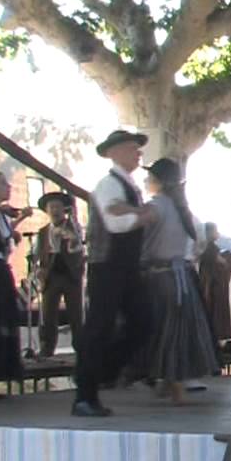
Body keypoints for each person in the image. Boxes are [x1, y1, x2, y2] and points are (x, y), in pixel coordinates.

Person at [73, 130, 152, 417]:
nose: (138, 153)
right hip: (106, 265)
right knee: (99, 328)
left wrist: (134, 212)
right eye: (133, 148)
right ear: (114, 152)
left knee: (143, 322)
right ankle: (85, 395)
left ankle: (103, 370)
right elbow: (116, 224)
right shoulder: (108, 184)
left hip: (126, 266)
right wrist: (143, 215)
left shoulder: (129, 186)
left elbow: (124, 215)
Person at [129, 159, 218, 403]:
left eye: (149, 178)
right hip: (182, 276)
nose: (146, 182)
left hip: (160, 277)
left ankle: (172, 382)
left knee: (163, 329)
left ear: (158, 181)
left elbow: (133, 232)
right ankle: (168, 381)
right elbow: (199, 245)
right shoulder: (184, 210)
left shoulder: (156, 207)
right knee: (175, 328)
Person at [35, 192, 85, 357]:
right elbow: (36, 254)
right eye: (51, 207)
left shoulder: (74, 227)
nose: (55, 210)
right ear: (47, 210)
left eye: (58, 206)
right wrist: (38, 270)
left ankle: (81, 347)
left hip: (71, 274)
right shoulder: (42, 232)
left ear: (64, 209)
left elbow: (78, 246)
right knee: (48, 314)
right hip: (51, 276)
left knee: (76, 314)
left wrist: (70, 236)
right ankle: (47, 348)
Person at [0, 171, 25, 395]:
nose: (8, 186)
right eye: (3, 183)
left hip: (1, 272)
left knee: (2, 318)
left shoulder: (0, 215)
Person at [197, 222, 231, 342]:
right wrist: (227, 260)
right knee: (213, 314)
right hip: (211, 286)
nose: (217, 233)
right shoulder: (209, 247)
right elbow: (221, 262)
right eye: (214, 231)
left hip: (215, 285)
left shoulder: (208, 246)